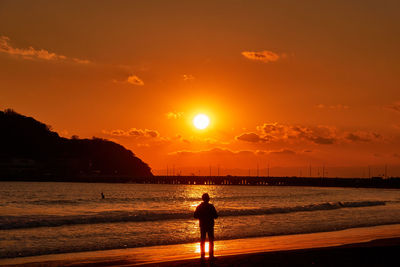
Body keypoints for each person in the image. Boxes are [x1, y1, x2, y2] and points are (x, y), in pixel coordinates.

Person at [194, 193, 218, 259]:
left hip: (202, 225)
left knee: (202, 240)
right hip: (210, 224)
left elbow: (195, 216)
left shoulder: (199, 206)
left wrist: (201, 217)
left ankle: (202, 255)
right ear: (208, 199)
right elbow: (216, 216)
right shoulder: (211, 206)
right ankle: (211, 255)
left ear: (203, 199)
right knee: (211, 240)